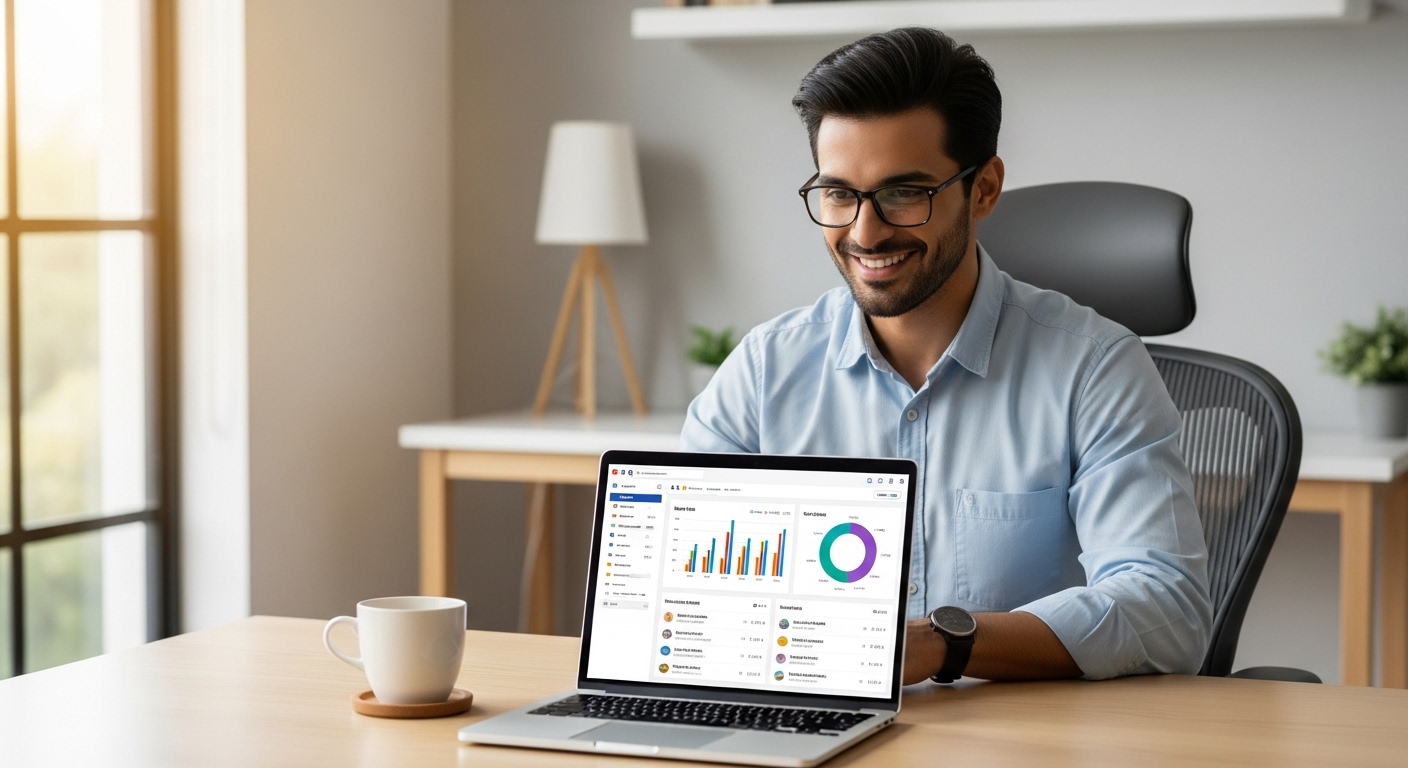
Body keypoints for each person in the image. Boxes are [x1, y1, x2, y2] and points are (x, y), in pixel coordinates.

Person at [680, 27, 1212, 683]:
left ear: (983, 189)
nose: (865, 232)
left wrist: (943, 644)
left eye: (905, 193)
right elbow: (674, 589)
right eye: (840, 193)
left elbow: (1168, 611)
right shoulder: (765, 372)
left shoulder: (1095, 368)